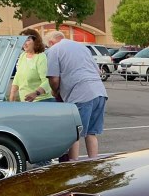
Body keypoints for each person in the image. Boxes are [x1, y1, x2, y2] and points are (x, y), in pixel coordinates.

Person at [43, 29, 108, 160]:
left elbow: (54, 79)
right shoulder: (82, 47)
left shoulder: (54, 50)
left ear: (50, 42)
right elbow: (96, 70)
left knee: (74, 134)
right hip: (99, 92)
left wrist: (55, 91)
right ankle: (93, 163)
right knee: (91, 133)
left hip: (80, 94)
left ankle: (73, 165)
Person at [8, 29, 52, 103]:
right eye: (22, 40)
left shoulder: (41, 57)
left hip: (41, 101)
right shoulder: (23, 55)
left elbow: (47, 81)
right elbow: (17, 76)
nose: (24, 43)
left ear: (35, 41)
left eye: (27, 40)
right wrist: (12, 94)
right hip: (25, 102)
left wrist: (36, 93)